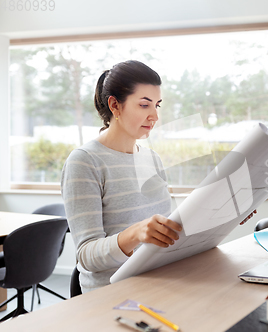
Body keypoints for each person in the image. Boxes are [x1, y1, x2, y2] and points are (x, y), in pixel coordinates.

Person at [61, 60, 254, 293]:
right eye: (144, 105)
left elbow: (168, 232)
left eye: (157, 106)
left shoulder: (152, 158)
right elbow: (86, 257)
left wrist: (224, 214)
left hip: (160, 279)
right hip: (113, 293)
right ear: (115, 105)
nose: (154, 116)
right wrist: (135, 233)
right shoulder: (84, 161)